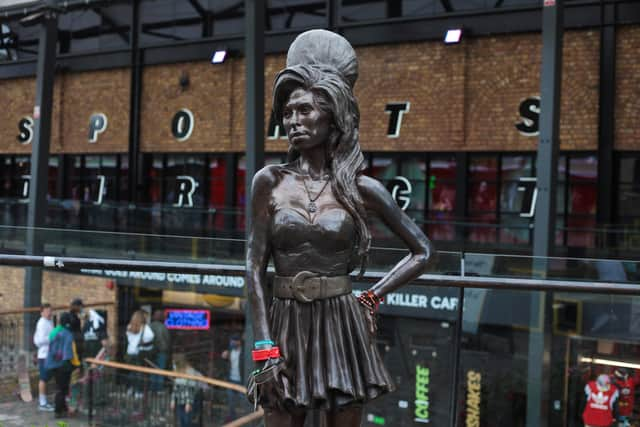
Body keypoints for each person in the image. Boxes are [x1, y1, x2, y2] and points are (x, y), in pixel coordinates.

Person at [246, 29, 433, 427]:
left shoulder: (363, 189)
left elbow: (423, 251)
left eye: (304, 111)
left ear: (333, 116)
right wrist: (264, 350)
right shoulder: (269, 181)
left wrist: (373, 296)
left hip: (342, 327)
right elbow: (253, 267)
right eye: (287, 113)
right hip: (284, 324)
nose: (292, 121)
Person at [45, 312, 81, 419]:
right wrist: (75, 364)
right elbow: (68, 352)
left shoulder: (54, 331)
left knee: (60, 387)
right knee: (63, 389)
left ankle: (63, 408)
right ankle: (58, 410)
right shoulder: (68, 333)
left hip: (52, 363)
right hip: (63, 365)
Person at [125, 309, 155, 397]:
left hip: (129, 352)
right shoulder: (145, 328)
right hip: (139, 353)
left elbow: (129, 339)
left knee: (131, 372)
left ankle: (130, 389)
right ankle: (138, 391)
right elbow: (151, 337)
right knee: (140, 373)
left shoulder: (129, 327)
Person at [170, 353, 203, 427]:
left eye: (174, 364)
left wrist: (189, 403)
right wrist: (172, 400)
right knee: (182, 419)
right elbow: (176, 387)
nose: (173, 366)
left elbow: (191, 389)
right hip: (181, 399)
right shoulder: (177, 369)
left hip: (191, 398)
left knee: (187, 420)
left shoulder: (190, 371)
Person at [33, 303, 54, 411]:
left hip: (51, 354)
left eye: (50, 310)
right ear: (42, 312)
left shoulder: (50, 321)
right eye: (47, 311)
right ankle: (42, 403)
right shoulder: (42, 323)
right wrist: (52, 337)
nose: (50, 312)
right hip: (44, 355)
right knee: (43, 378)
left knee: (50, 376)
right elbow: (39, 341)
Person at [221, 335, 244, 420]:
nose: (232, 343)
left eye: (234, 341)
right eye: (231, 341)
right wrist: (224, 358)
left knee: (244, 402)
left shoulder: (244, 352)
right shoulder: (230, 352)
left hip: (242, 381)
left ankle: (245, 420)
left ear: (239, 342)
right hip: (231, 380)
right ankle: (233, 419)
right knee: (231, 403)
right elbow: (226, 366)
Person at [149, 309, 171, 391]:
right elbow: (167, 340)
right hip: (162, 352)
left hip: (151, 351)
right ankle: (159, 389)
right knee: (161, 371)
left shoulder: (149, 326)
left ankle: (152, 388)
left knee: (153, 371)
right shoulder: (164, 327)